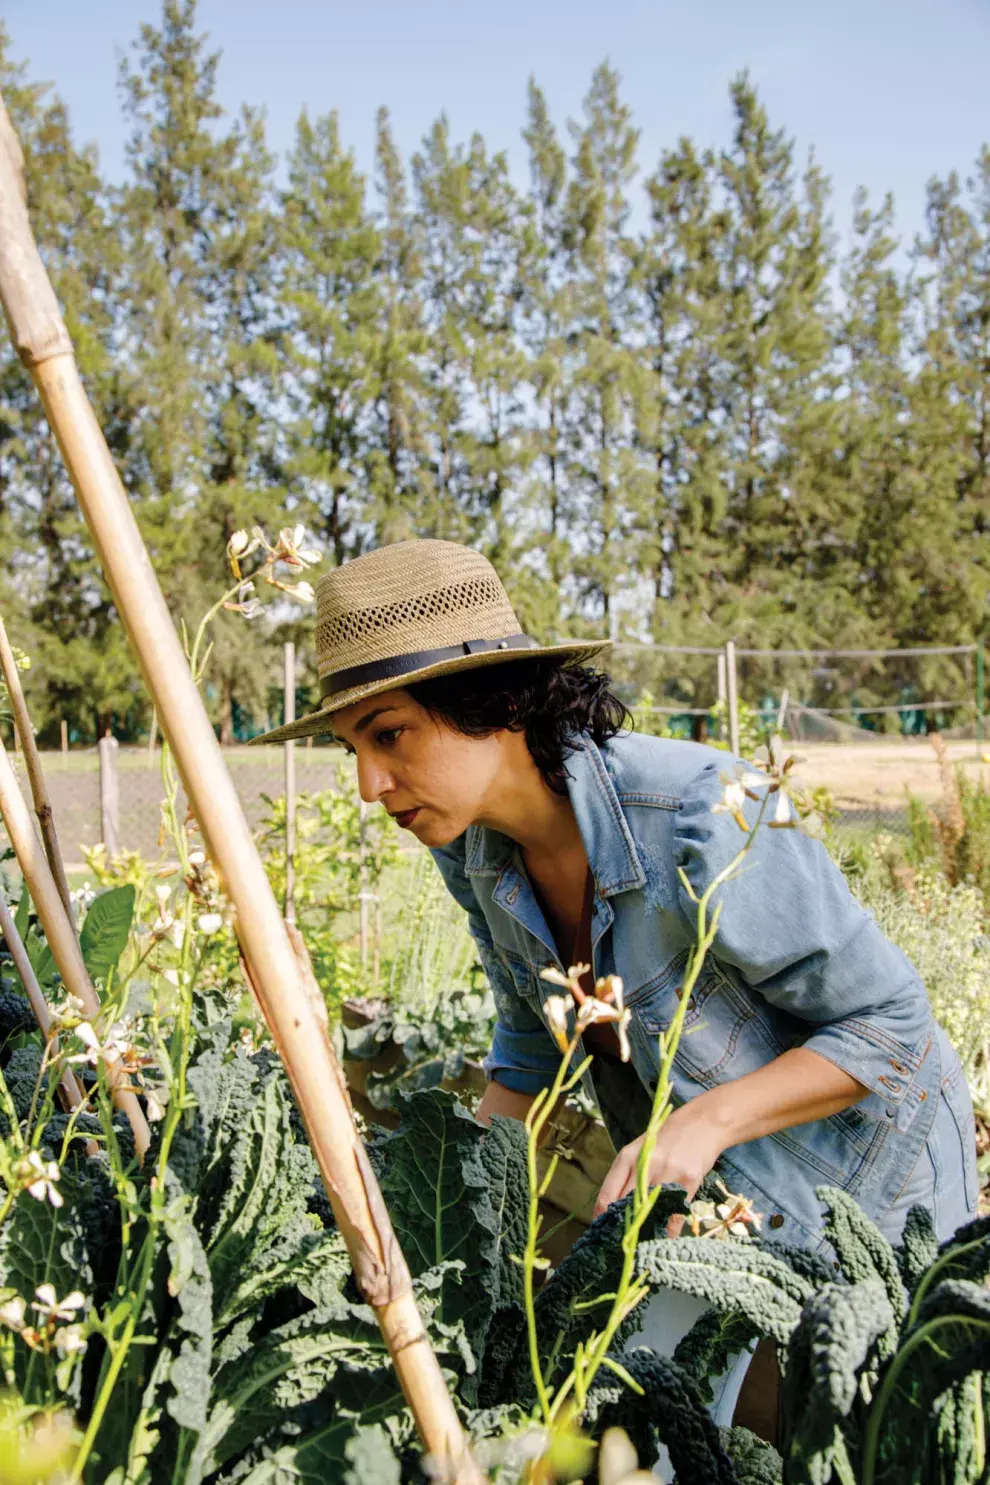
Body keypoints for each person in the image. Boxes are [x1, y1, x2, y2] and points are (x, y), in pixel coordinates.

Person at [250, 537, 978, 1445]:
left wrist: (703, 1122)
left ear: (496, 703)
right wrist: (453, 1211)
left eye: (389, 734)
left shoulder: (712, 808)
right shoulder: (471, 850)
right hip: (705, 1207)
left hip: (870, 1186)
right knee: (670, 1435)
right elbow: (530, 1042)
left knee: (878, 1441)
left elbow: (893, 1026)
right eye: (351, 746)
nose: (368, 784)